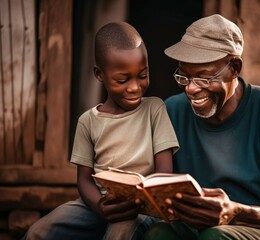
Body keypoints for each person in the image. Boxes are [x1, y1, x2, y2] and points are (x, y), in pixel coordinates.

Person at [144, 14, 260, 240]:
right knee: (158, 235)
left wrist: (234, 212)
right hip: (196, 229)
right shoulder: (172, 112)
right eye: (184, 77)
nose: (191, 89)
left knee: (215, 237)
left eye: (204, 78)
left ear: (235, 68)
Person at [23, 22, 179, 240]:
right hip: (99, 204)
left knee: (120, 232)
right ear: (99, 74)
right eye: (122, 80)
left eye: (142, 75)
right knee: (38, 232)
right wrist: (99, 206)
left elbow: (164, 170)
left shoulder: (154, 109)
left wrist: (142, 199)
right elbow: (84, 180)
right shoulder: (88, 121)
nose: (134, 87)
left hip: (141, 209)